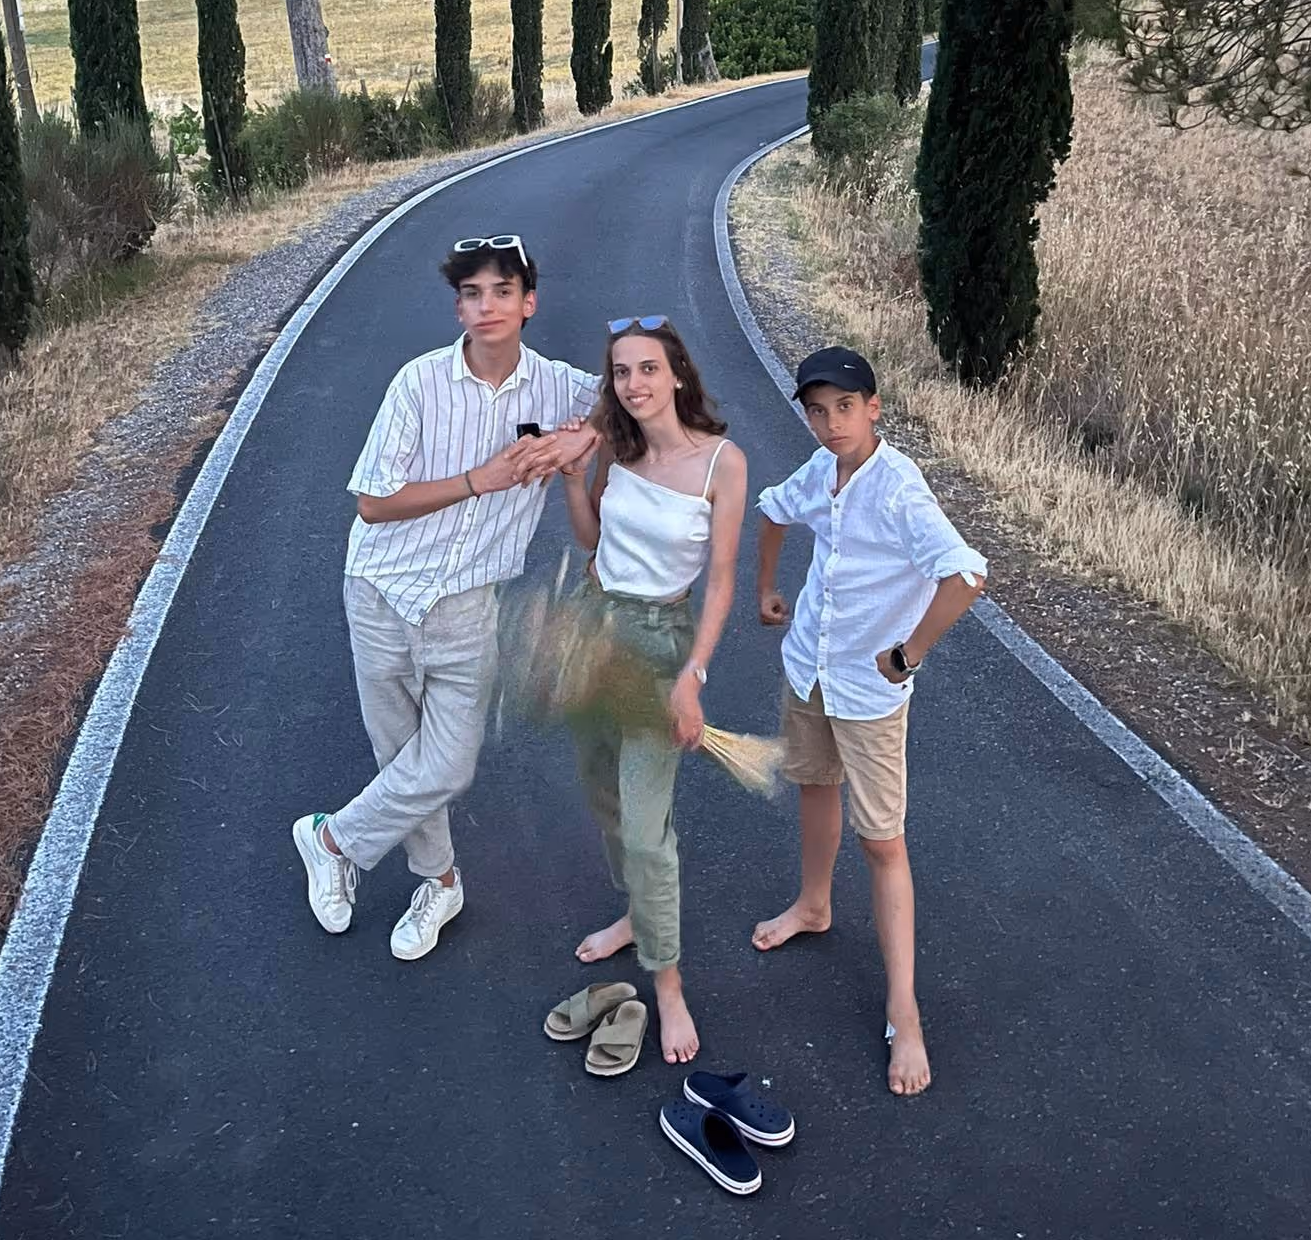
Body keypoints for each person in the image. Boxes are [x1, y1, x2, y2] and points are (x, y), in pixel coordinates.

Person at [293, 235, 599, 961]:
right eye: (471, 294)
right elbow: (372, 503)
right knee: (402, 755)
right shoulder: (418, 383)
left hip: (466, 604)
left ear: (529, 303)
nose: (486, 306)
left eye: (502, 292)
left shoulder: (559, 387)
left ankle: (332, 839)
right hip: (382, 591)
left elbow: (654, 394)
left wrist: (579, 439)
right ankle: (441, 882)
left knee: (447, 766)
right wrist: (477, 480)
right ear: (458, 307)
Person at [752, 346, 987, 1096]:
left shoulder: (899, 489)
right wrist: (766, 588)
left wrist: (909, 654)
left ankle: (904, 1011)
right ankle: (814, 904)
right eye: (817, 412)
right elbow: (773, 510)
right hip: (809, 668)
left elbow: (967, 574)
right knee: (814, 785)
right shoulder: (822, 470)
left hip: (869, 693)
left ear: (874, 407)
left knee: (883, 842)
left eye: (845, 408)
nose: (831, 424)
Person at [559, 317, 748, 1065]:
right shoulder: (621, 448)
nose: (634, 384)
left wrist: (692, 677)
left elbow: (722, 582)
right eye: (621, 372)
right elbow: (591, 539)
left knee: (646, 832)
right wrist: (573, 481)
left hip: (661, 642)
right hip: (594, 627)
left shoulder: (722, 463)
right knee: (603, 794)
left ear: (677, 375)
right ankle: (638, 914)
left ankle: (667, 987)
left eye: (647, 368)